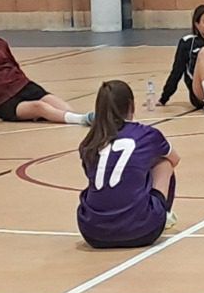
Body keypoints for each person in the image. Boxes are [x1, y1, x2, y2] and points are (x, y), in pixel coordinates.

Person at [76, 80, 179, 248]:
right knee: (163, 162)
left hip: (92, 232)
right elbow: (175, 159)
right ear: (132, 105)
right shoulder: (147, 134)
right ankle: (163, 214)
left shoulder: (90, 141)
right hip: (142, 231)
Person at [0, 10, 92, 126]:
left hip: (23, 86)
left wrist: (29, 86)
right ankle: (83, 120)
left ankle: (85, 119)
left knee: (60, 106)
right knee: (40, 107)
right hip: (2, 101)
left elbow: (14, 66)